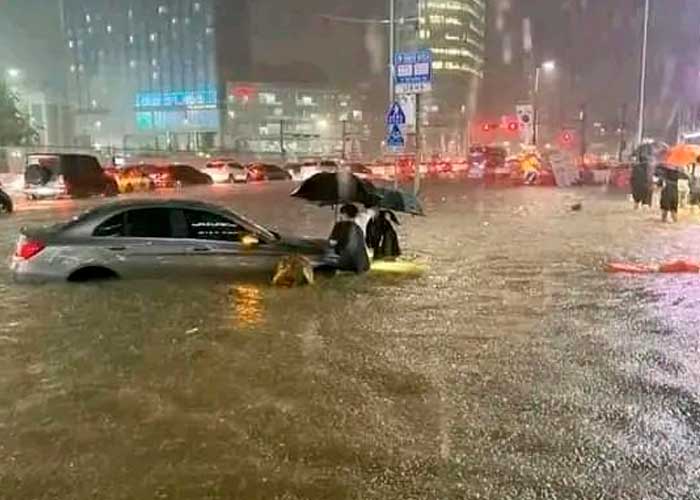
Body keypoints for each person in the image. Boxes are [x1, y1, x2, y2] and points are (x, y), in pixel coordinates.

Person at [329, 204, 370, 273]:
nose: (340, 215)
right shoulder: (358, 228)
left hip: (344, 262)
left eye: (341, 213)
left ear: (344, 214)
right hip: (360, 264)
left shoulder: (339, 226)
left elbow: (332, 242)